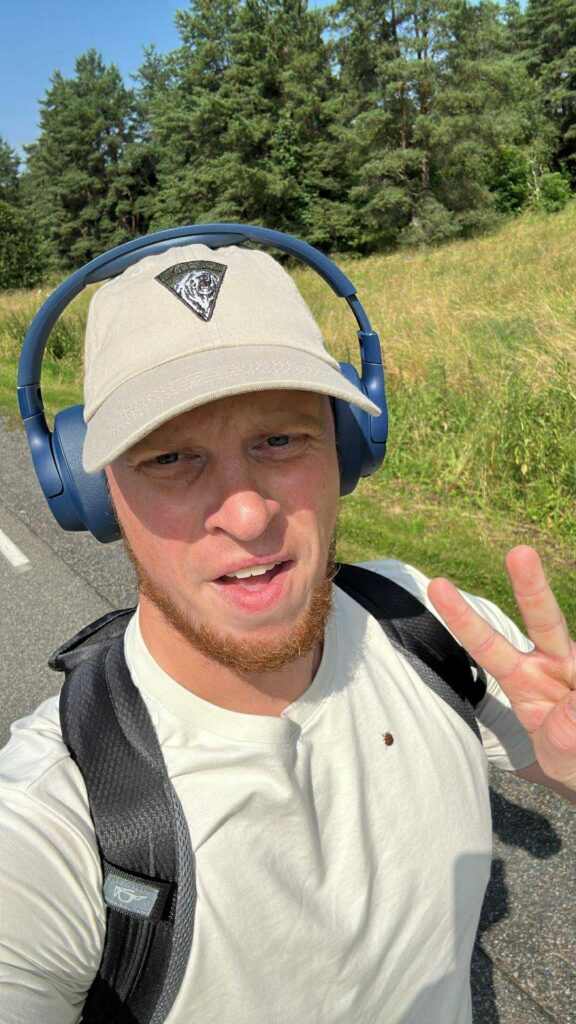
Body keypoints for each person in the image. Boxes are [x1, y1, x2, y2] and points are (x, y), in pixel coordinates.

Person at [0, 243, 574, 1024]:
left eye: (279, 440)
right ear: (95, 497)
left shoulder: (424, 618)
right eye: (170, 457)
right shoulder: (53, 816)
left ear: (347, 450)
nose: (247, 513)